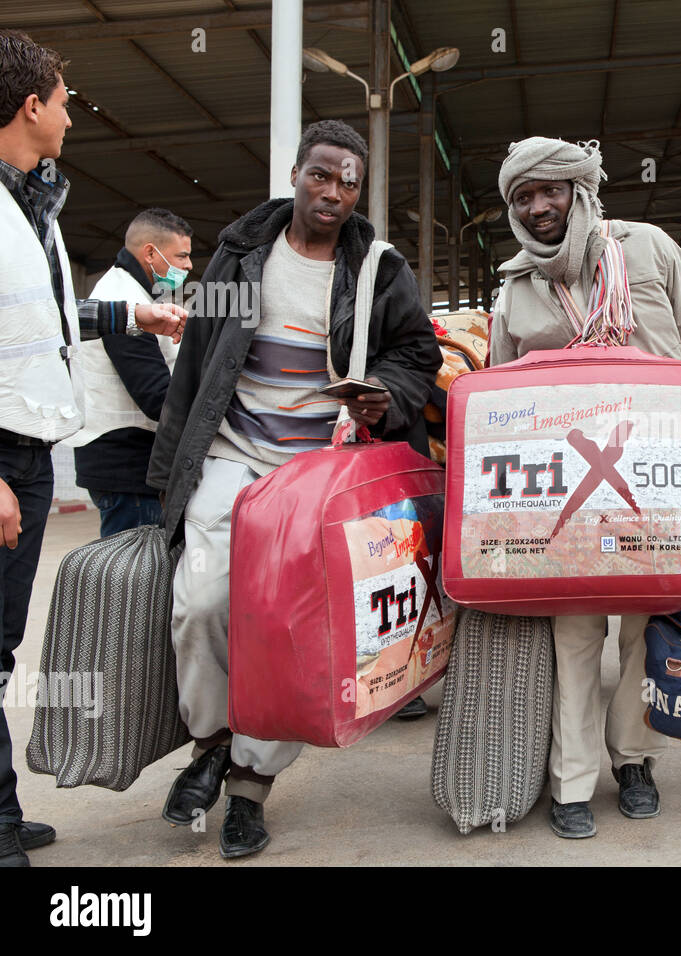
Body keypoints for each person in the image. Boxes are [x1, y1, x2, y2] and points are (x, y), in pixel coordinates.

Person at [148, 119, 439, 859]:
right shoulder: (240, 254)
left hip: (315, 475)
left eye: (349, 181)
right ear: (296, 172)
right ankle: (213, 742)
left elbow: (418, 354)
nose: (333, 192)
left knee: (288, 629)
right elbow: (197, 364)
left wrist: (385, 394)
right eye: (321, 174)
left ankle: (250, 785)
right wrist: (167, 472)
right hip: (232, 454)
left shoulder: (380, 268)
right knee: (202, 604)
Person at [490, 137, 681, 840]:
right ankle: (571, 783)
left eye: (551, 190)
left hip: (659, 479)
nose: (539, 206)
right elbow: (492, 399)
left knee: (646, 630)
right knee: (573, 638)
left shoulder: (648, 249)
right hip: (561, 499)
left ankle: (635, 760)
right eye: (524, 196)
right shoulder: (515, 285)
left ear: (580, 189)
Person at [0, 30, 185, 868]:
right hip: (4, 454)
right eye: (67, 101)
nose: (74, 117)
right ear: (30, 106)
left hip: (35, 449)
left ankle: (3, 811)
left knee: (4, 640)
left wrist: (130, 317)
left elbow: (46, 319)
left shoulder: (30, 208)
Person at [67, 208, 193, 536]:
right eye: (182, 256)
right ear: (150, 252)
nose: (188, 266)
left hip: (129, 460)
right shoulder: (122, 300)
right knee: (133, 580)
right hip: (126, 464)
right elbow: (155, 395)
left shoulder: (137, 295)